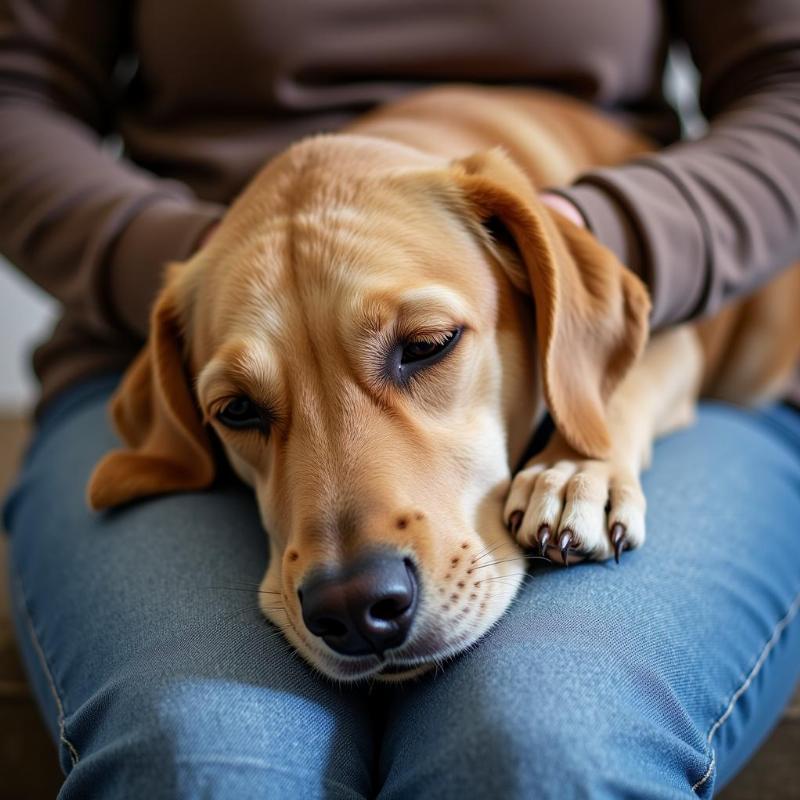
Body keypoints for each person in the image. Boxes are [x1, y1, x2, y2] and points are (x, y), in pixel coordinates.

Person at [2, 1, 799, 797]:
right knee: (201, 762)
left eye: (420, 350)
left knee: (548, 748)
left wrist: (596, 414)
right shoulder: (197, 344)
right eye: (245, 410)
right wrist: (212, 270)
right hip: (172, 303)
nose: (349, 590)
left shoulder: (543, 277)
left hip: (626, 256)